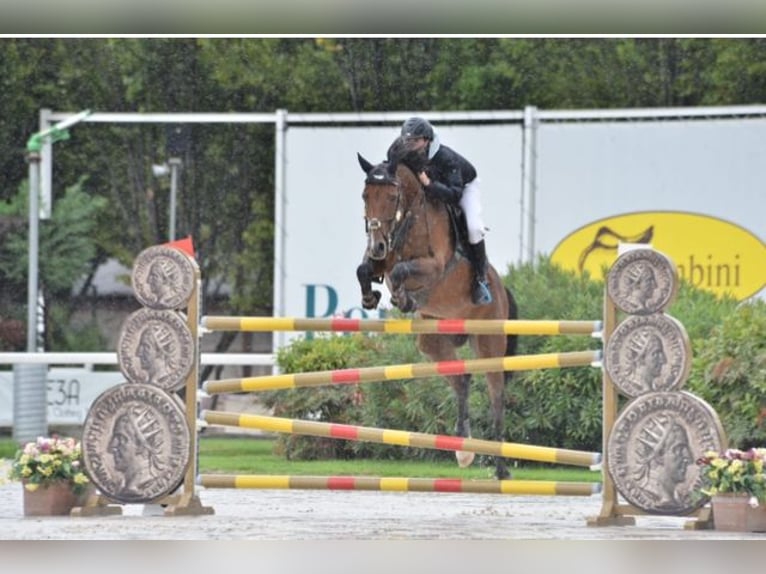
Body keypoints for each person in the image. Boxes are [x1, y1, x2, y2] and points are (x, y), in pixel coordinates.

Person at [389, 117, 492, 305]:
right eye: (407, 140)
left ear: (427, 140)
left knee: (474, 228)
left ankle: (481, 277)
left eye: (415, 141)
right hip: (433, 190)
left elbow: (455, 195)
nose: (410, 145)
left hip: (463, 187)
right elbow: (390, 166)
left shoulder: (445, 158)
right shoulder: (403, 149)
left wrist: (428, 183)